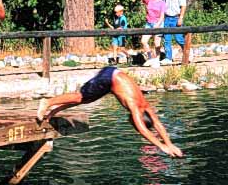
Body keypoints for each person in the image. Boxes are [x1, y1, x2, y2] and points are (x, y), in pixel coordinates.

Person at [37, 67, 183, 157]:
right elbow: (144, 131)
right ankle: (47, 102)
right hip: (109, 78)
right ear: (136, 119)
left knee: (86, 100)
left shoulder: (146, 106)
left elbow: (158, 125)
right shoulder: (135, 109)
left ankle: (53, 111)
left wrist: (170, 144)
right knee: (80, 97)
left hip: (114, 74)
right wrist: (162, 146)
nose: (131, 122)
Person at [161, 0, 187, 66]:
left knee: (179, 38)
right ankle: (168, 58)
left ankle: (187, 53)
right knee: (166, 39)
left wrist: (181, 18)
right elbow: (164, 8)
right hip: (167, 18)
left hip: (176, 18)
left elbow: (183, 6)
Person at [140, 0, 166, 65]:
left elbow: (162, 16)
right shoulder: (149, 0)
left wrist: (157, 25)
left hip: (158, 24)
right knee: (143, 41)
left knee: (157, 43)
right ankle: (150, 57)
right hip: (149, 24)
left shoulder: (162, 3)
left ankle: (157, 60)